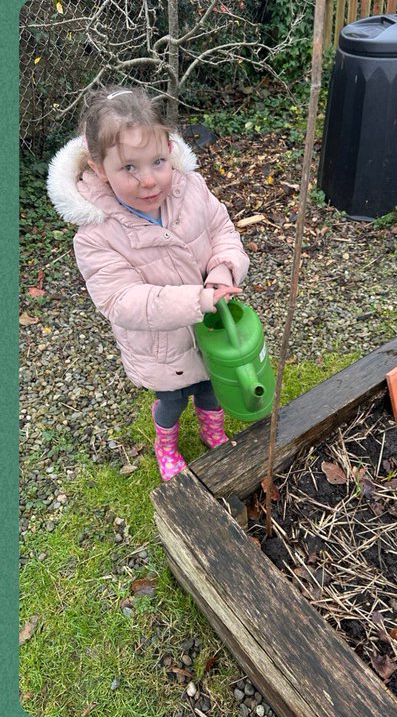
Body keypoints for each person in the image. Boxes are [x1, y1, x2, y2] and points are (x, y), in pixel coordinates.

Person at [47, 86, 250, 481]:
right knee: (171, 400)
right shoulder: (96, 233)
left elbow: (221, 229)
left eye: (158, 161)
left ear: (170, 147)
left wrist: (223, 268)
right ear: (98, 167)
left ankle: (213, 431)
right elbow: (121, 300)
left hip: (212, 329)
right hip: (161, 348)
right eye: (129, 168)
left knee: (213, 387)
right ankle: (167, 445)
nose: (148, 181)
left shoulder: (191, 188)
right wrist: (197, 300)